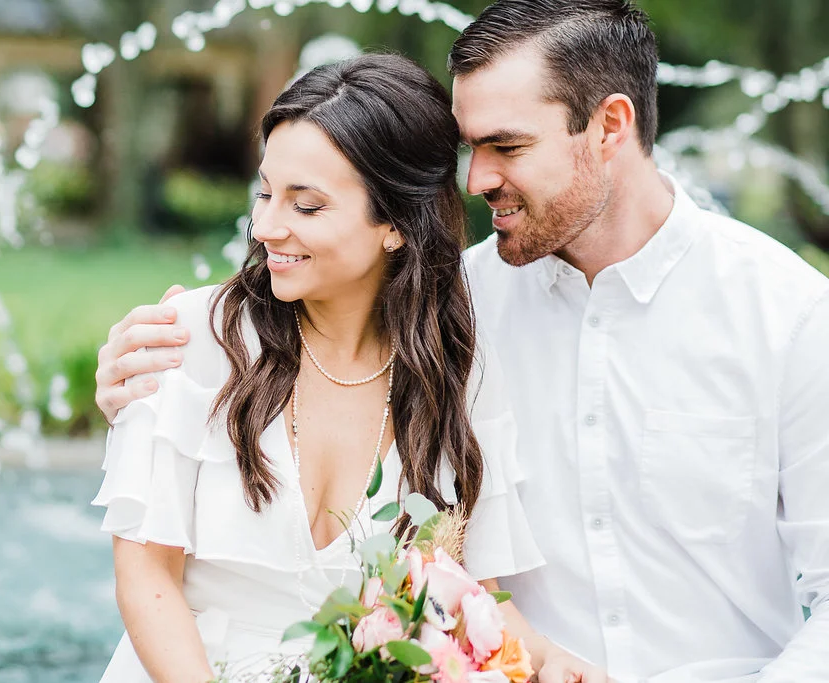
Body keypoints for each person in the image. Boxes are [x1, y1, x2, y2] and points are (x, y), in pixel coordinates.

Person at [95, 2, 829, 682]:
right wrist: (134, 397)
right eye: (469, 147)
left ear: (610, 126)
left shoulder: (790, 317)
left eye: (505, 145)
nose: (475, 180)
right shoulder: (449, 313)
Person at [92, 53, 599, 683]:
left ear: (394, 225)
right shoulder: (190, 338)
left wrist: (549, 660)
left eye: (306, 206)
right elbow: (146, 579)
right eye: (266, 193)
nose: (267, 226)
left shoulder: (455, 371)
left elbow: (460, 594)